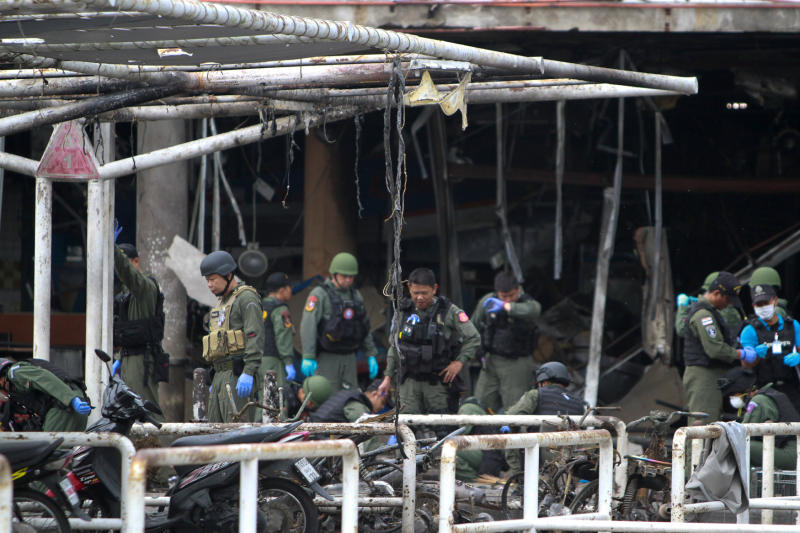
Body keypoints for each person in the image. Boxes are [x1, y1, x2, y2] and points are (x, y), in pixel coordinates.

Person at [377, 268, 481, 416]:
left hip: (437, 385)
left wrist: (459, 362)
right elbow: (394, 346)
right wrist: (387, 377)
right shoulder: (403, 311)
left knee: (441, 428)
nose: (419, 297)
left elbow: (474, 337)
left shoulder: (448, 311)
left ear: (434, 289)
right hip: (409, 385)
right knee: (406, 427)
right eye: (415, 293)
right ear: (409, 288)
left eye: (424, 293)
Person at [682, 271, 756, 423]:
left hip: (711, 375)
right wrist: (739, 354)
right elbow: (715, 349)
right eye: (728, 300)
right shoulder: (704, 316)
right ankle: (692, 449)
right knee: (702, 425)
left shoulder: (710, 312)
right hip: (703, 376)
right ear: (717, 294)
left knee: (711, 423)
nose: (728, 304)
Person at [300, 252, 379, 393]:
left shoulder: (355, 295)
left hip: (349, 356)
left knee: (351, 396)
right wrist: (308, 355)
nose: (348, 280)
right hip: (327, 356)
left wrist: (371, 353)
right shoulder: (319, 294)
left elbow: (364, 325)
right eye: (344, 276)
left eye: (351, 277)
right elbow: (308, 324)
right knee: (326, 396)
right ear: (334, 274)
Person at [201, 251, 264, 423]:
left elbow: (254, 335)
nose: (209, 284)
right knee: (214, 430)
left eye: (213, 279)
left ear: (228, 275)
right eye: (207, 280)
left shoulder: (246, 298)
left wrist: (249, 371)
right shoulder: (221, 302)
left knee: (237, 429)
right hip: (220, 374)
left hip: (237, 374)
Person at [472, 271, 541, 413]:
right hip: (491, 361)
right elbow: (474, 325)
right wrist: (477, 348)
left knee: (515, 408)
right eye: (504, 297)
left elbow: (534, 310)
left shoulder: (526, 303)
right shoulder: (488, 301)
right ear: (497, 292)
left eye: (511, 295)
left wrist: (506, 307)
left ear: (518, 290)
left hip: (516, 363)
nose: (508, 299)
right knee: (480, 404)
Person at [503, 361, 585, 474]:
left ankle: (519, 476)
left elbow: (511, 416)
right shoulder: (578, 402)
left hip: (540, 458)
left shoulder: (536, 394)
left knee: (512, 427)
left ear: (544, 381)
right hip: (568, 461)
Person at [113, 242, 165, 416]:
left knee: (147, 413)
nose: (120, 270)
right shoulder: (126, 294)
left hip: (142, 359)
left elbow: (127, 272)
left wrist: (111, 247)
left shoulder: (146, 287)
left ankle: (160, 443)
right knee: (129, 413)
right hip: (127, 357)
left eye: (126, 262)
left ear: (136, 261)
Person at [718, 367, 799, 469]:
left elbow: (744, 432)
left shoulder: (758, 400)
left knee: (737, 445)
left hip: (791, 454)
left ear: (744, 389)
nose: (732, 397)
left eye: (734, 394)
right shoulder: (770, 394)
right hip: (793, 450)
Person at [738, 283, 800, 408]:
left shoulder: (793, 325)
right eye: (758, 304)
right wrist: (757, 356)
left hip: (791, 386)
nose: (763, 307)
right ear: (753, 306)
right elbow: (745, 365)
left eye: (766, 303)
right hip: (763, 389)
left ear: (775, 301)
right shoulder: (749, 330)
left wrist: (798, 358)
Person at [0, 358, 91, 431]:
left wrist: (71, 399)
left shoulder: (15, 372)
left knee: (48, 449)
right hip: (77, 408)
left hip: (63, 408)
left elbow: (44, 379)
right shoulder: (16, 386)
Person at [675, 271, 742, 337]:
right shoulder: (727, 308)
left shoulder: (708, 312)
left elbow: (682, 330)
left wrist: (682, 307)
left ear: (716, 293)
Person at [455, 398, 506, 482]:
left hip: (495, 465)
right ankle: (478, 479)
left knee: (452, 449)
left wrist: (486, 476)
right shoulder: (481, 426)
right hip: (492, 463)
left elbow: (492, 455)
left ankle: (477, 480)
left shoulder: (486, 427)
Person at [261, 272, 297, 392]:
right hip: (273, 360)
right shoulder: (280, 308)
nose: (290, 291)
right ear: (282, 290)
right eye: (289, 288)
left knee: (262, 398)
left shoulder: (259, 305)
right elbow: (283, 336)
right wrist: (288, 361)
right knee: (276, 398)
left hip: (257, 360)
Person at [308, 378, 388, 423]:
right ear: (374, 394)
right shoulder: (358, 407)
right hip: (321, 438)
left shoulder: (349, 394)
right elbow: (367, 439)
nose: (383, 407)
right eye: (383, 402)